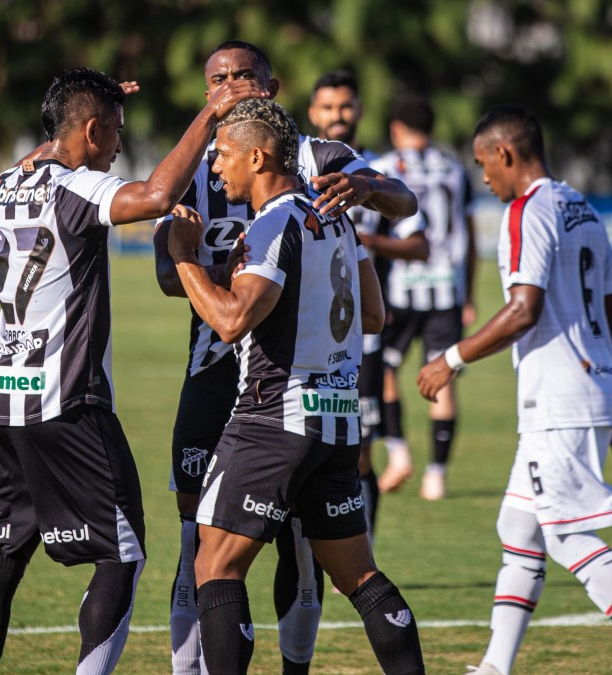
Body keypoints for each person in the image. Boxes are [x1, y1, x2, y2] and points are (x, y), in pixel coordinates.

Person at [0, 66, 265, 675]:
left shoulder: (3, 182)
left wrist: (82, 109)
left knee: (2, 558)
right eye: (115, 132)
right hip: (65, 398)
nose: (120, 146)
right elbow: (155, 196)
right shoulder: (77, 189)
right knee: (122, 554)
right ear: (92, 129)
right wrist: (210, 115)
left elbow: (50, 148)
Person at [152, 42, 417, 675]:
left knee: (222, 561)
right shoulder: (301, 203)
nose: (231, 86)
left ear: (269, 88)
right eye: (218, 78)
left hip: (270, 399)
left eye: (244, 75)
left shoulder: (308, 184)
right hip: (311, 401)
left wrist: (194, 257)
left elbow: (233, 314)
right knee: (351, 570)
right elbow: (373, 315)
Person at [416, 105, 612, 675]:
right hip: (591, 391)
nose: (483, 178)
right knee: (518, 527)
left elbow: (524, 310)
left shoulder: (528, 211)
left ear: (506, 154)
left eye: (483, 164)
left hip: (559, 398)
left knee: (568, 537)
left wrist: (450, 357)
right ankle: (495, 668)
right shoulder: (582, 208)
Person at [308, 70, 429, 538]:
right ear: (313, 112)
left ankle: (362, 548)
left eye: (345, 106)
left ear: (359, 111)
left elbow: (418, 244)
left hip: (361, 337)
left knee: (356, 450)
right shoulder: (297, 166)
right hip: (303, 333)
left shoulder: (375, 174)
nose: (337, 116)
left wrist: (366, 231)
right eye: (327, 107)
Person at [375, 93, 478, 501]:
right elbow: (468, 238)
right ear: (432, 128)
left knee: (384, 371)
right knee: (444, 379)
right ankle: (436, 475)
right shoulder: (455, 170)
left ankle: (398, 454)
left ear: (396, 128)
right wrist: (468, 292)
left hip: (400, 289)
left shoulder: (383, 169)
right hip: (447, 289)